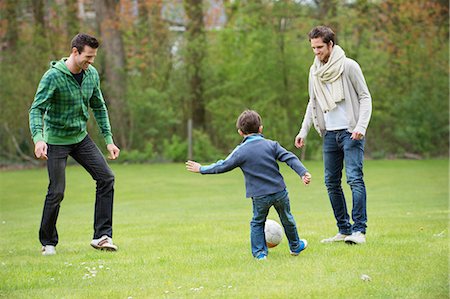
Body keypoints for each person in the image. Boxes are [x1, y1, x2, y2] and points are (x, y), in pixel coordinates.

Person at [29, 33, 120, 255]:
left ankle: (102, 236)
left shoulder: (91, 74)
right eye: (88, 57)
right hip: (56, 141)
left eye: (94, 57)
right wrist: (38, 138)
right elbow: (37, 109)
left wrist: (108, 140)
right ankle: (48, 242)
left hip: (80, 138)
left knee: (106, 178)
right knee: (57, 191)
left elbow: (99, 106)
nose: (91, 62)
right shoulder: (53, 77)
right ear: (75, 52)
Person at [186, 110, 312, 260]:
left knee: (257, 222)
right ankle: (295, 246)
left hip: (259, 195)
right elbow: (289, 157)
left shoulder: (241, 151)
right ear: (261, 128)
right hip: (279, 191)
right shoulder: (271, 145)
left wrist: (202, 169)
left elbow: (223, 165)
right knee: (287, 218)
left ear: (240, 132)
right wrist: (302, 172)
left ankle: (260, 254)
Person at [294, 26, 372, 245]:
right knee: (331, 182)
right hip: (329, 134)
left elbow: (365, 97)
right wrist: (303, 131)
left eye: (319, 47)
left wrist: (361, 126)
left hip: (351, 132)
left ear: (330, 44)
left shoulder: (349, 66)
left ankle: (359, 231)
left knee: (354, 179)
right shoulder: (314, 71)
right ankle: (344, 230)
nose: (316, 52)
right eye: (313, 48)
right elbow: (313, 101)